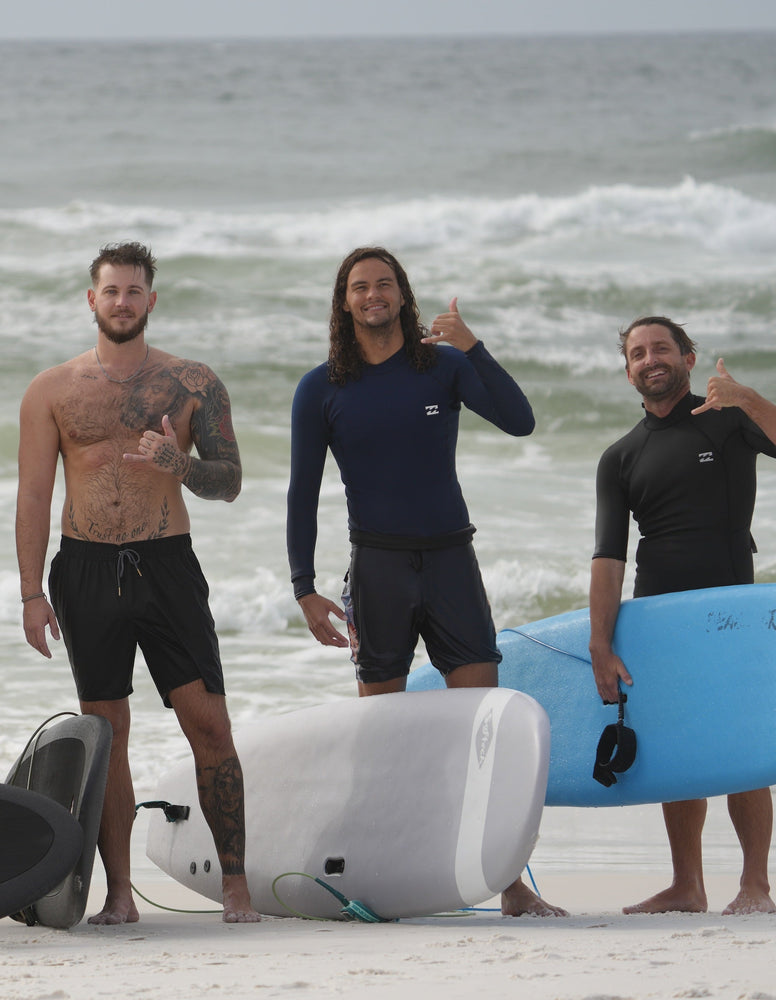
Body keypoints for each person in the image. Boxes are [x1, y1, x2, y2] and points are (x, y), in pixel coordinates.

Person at [286, 246, 564, 917]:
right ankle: (376, 879)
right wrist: (304, 586)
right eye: (360, 286)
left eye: (385, 284)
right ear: (344, 301)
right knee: (377, 738)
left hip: (449, 563)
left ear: (402, 297)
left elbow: (520, 420)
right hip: (377, 568)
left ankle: (511, 887)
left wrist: (475, 347)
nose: (373, 294)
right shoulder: (321, 388)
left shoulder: (443, 367)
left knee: (482, 731)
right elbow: (302, 492)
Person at [16, 241, 258, 924]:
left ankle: (237, 888)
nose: (122, 302)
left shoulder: (193, 383)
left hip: (167, 563)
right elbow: (33, 496)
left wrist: (177, 462)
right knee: (107, 731)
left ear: (152, 300)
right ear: (91, 300)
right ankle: (119, 896)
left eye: (134, 291)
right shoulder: (51, 390)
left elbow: (231, 482)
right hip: (85, 568)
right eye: (110, 291)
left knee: (208, 722)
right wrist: (32, 593)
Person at [590, 316, 776, 916]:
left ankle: (756, 886)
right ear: (628, 370)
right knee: (678, 748)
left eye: (660, 348)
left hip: (731, 610)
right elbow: (609, 556)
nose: (649, 359)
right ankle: (687, 885)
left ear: (688, 358)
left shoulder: (728, 419)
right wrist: (601, 641)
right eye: (637, 353)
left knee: (742, 745)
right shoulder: (620, 457)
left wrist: (746, 396)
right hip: (660, 616)